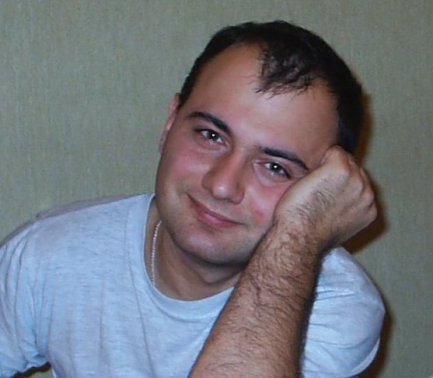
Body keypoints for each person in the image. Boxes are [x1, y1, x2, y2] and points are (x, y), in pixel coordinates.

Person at [0, 21, 384, 377]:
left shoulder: (337, 306)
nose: (222, 185)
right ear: (170, 122)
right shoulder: (48, 256)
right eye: (211, 136)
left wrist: (299, 235)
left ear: (321, 191)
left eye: (275, 167)